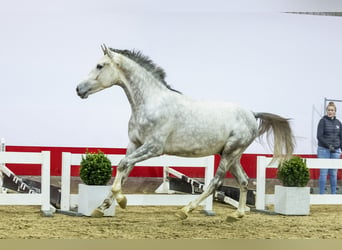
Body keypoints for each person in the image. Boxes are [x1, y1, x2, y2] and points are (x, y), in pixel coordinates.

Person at [317, 101, 342, 194]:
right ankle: (321, 195)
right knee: (323, 173)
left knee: (333, 174)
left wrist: (339, 148)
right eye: (328, 110)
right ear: (326, 111)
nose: (330, 111)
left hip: (335, 151)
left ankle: (333, 194)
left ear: (335, 111)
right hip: (324, 150)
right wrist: (328, 146)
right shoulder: (322, 121)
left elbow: (341, 138)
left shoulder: (339, 123)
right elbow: (319, 136)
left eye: (332, 110)